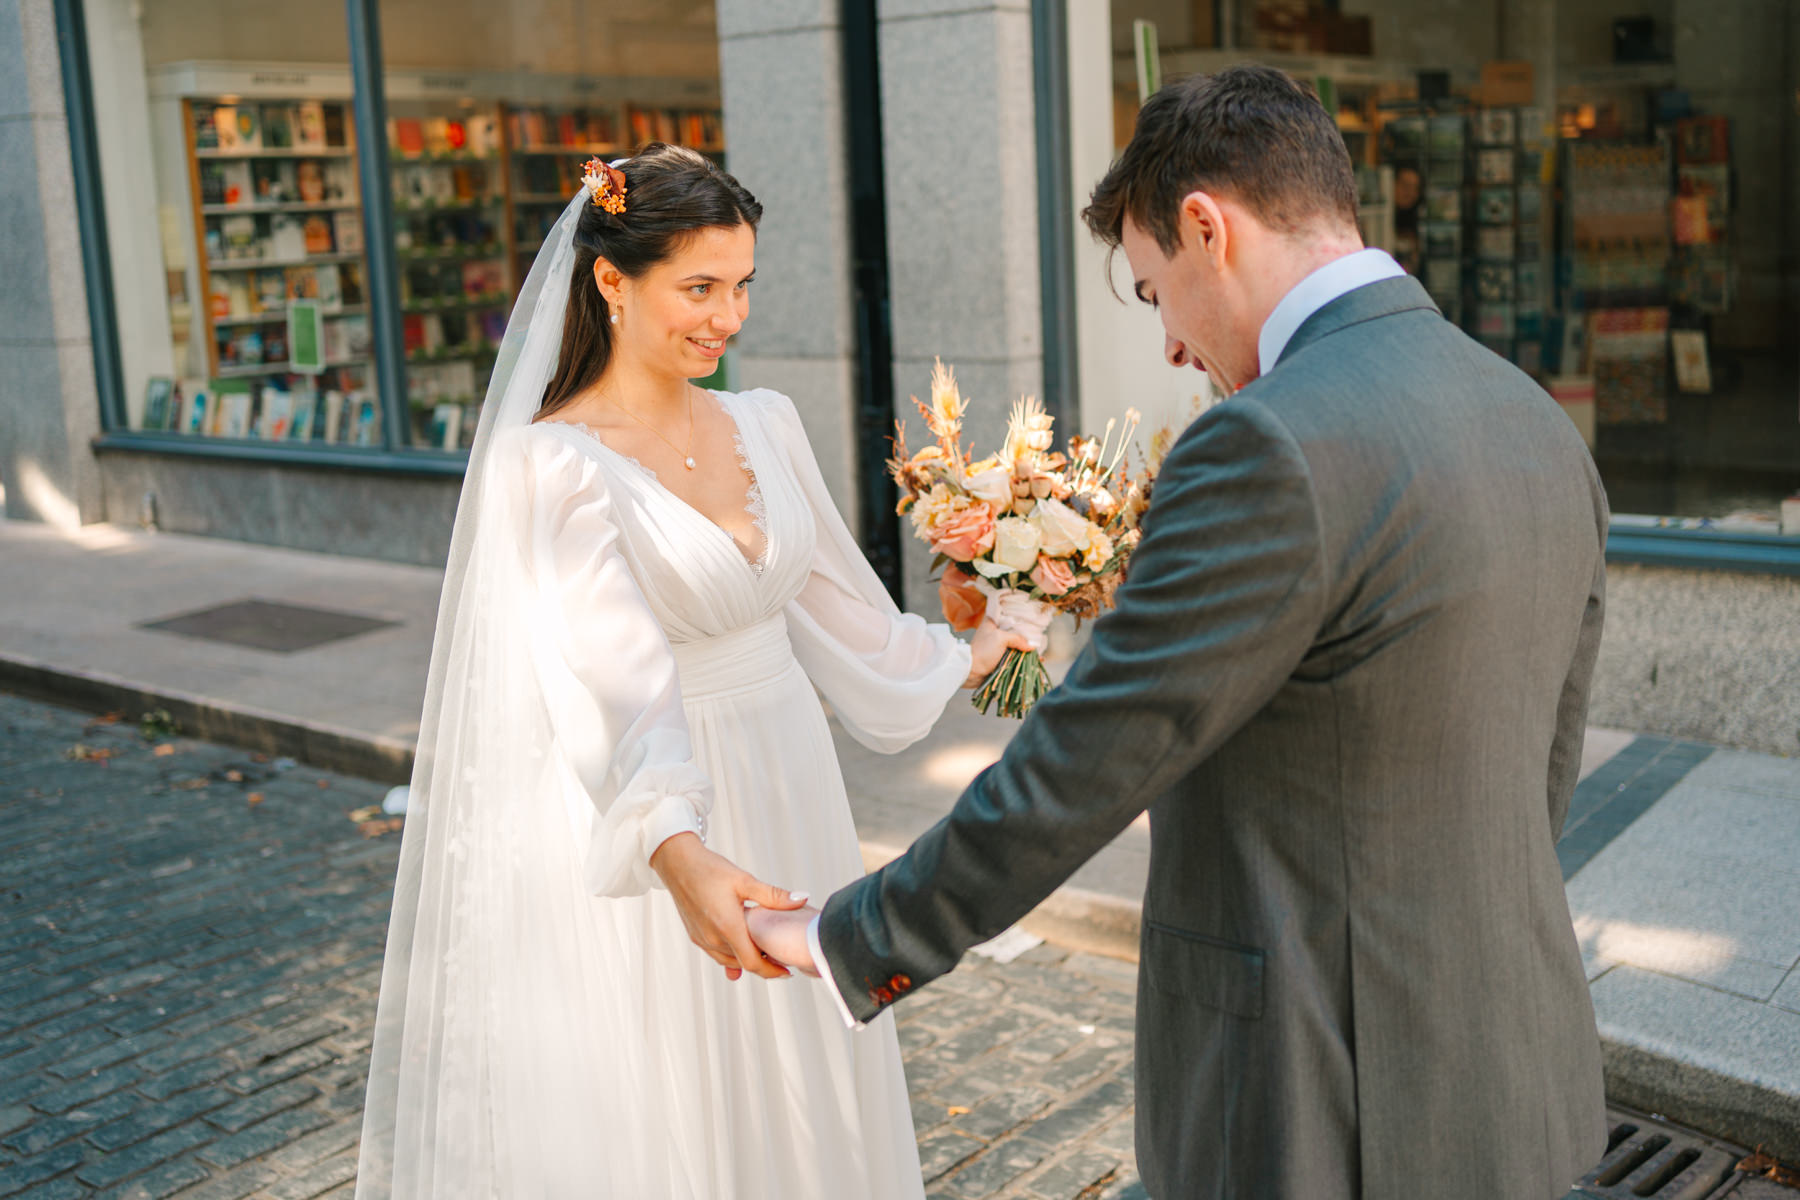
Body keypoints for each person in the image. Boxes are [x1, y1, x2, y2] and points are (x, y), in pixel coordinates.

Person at [738, 66, 1609, 1199]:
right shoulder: (1536, 419)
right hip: (1516, 1078)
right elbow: (1542, 770)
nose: (1171, 349)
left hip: (1318, 1098)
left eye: (1154, 294)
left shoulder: (1265, 444)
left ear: (1207, 227)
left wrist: (849, 936)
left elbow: (1080, 768)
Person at [354, 143, 1034, 1199]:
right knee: (678, 1089)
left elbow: (839, 607)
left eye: (743, 286)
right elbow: (608, 678)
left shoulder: (765, 421)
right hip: (663, 799)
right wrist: (677, 849)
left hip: (788, 778)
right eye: (700, 288)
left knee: (800, 1078)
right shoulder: (551, 465)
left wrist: (980, 636)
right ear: (612, 282)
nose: (728, 317)